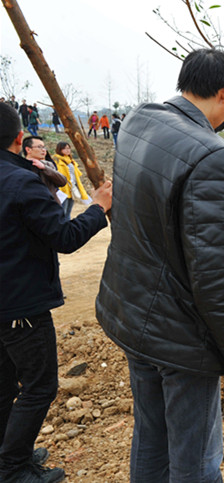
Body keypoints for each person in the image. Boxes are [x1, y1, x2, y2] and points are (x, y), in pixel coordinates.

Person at [95, 49, 224, 482]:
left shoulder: (140, 119)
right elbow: (214, 272)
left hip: (134, 315)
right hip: (179, 333)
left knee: (151, 437)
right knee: (196, 458)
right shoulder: (213, 158)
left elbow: (190, 128)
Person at [0, 102, 111, 483]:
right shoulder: (20, 183)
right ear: (20, 138)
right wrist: (99, 208)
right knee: (39, 385)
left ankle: (11, 454)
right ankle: (13, 468)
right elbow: (64, 237)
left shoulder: (20, 176)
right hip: (21, 303)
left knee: (4, 385)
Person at [22, 136, 66, 205]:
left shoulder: (48, 164)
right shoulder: (20, 167)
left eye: (44, 147)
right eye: (39, 147)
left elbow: (62, 181)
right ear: (28, 150)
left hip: (51, 206)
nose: (43, 150)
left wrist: (44, 168)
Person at [52, 142, 91, 220]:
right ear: (59, 149)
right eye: (65, 148)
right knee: (63, 211)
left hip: (72, 188)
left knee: (68, 212)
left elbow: (76, 175)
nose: (67, 150)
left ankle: (67, 228)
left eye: (68, 148)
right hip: (62, 189)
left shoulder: (70, 161)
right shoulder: (56, 161)